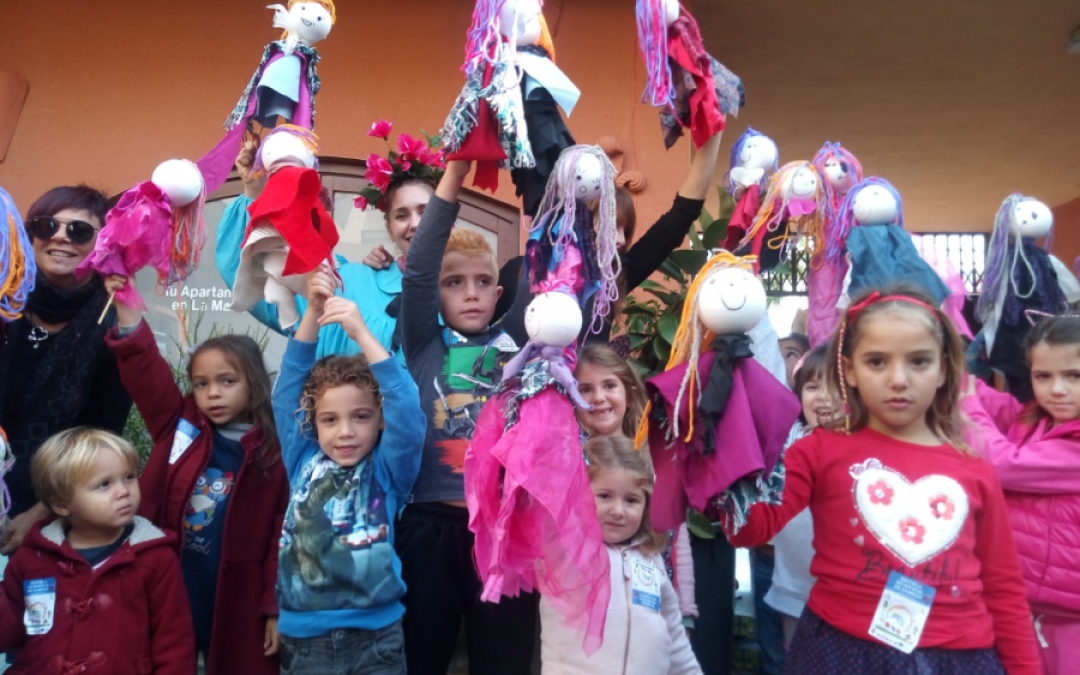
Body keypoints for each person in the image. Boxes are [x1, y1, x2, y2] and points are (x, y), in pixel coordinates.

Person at [726, 285, 1040, 674]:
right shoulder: (817, 451)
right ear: (849, 371)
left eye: (919, 361)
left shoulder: (975, 469)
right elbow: (750, 529)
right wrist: (727, 437)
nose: (898, 379)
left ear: (944, 369)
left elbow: (1004, 588)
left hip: (958, 657)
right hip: (839, 653)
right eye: (877, 362)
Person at [103, 275, 289, 674]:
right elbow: (146, 374)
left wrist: (275, 606)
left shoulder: (273, 454)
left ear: (254, 383)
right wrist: (126, 304)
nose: (212, 393)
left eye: (227, 381)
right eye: (201, 384)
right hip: (170, 587)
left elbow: (281, 538)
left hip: (239, 600)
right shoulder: (180, 425)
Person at [396, 159, 534, 675]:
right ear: (436, 294)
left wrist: (545, 199)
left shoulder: (516, 341)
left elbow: (542, 271)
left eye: (482, 282)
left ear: (499, 294)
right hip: (429, 527)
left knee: (504, 662)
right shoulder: (423, 343)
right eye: (454, 282)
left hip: (502, 529)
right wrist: (453, 174)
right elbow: (419, 269)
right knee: (421, 658)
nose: (471, 292)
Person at [271, 269, 425, 675]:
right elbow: (287, 389)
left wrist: (361, 333)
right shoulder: (302, 459)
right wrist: (312, 312)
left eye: (361, 416)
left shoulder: (387, 469)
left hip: (376, 639)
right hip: (305, 643)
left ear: (380, 419)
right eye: (330, 419)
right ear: (312, 422)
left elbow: (407, 409)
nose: (345, 432)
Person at [216, 140, 435, 363]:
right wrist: (255, 192)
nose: (415, 224)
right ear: (389, 228)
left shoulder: (457, 292)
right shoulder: (348, 283)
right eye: (401, 215)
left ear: (444, 218)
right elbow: (254, 276)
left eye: (425, 212)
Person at [494, 130, 725, 341]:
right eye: (610, 226)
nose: (621, 240)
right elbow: (474, 328)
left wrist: (713, 132)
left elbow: (680, 217)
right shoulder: (518, 272)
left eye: (625, 230)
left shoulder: (614, 278)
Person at [0, 186, 132, 552]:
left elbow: (100, 434)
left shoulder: (111, 323)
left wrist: (40, 514)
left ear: (101, 243)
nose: (60, 237)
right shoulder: (5, 303)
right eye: (46, 225)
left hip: (51, 508)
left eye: (79, 231)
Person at [0, 428, 195, 674]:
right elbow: (7, 636)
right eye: (104, 484)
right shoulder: (31, 559)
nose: (124, 491)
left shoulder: (156, 558)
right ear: (61, 503)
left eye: (129, 477)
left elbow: (174, 643)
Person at [962, 314, 1080, 674]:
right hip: (1027, 605)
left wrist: (967, 407)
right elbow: (998, 405)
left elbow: (1002, 464)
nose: (1057, 389)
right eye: (1043, 376)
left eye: (1074, 376)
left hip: (1070, 619)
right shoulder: (1037, 419)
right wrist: (956, 376)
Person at [539, 435, 702, 674]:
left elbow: (675, 640)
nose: (618, 511)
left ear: (646, 506)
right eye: (605, 496)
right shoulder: (564, 551)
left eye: (631, 500)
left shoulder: (652, 560)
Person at [574, 343, 698, 630]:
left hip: (654, 608)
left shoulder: (658, 457)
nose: (599, 397)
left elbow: (677, 539)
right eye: (585, 389)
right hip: (591, 614)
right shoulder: (570, 464)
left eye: (609, 385)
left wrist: (685, 609)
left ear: (628, 393)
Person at [763, 346, 835, 651]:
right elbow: (766, 375)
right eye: (812, 387)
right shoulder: (789, 438)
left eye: (835, 386)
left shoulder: (862, 445)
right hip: (793, 586)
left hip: (843, 593)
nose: (823, 397)